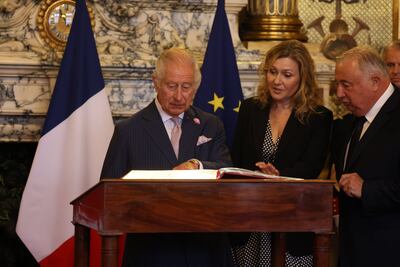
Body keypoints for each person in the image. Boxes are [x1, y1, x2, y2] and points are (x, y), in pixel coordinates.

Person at [101, 47, 234, 267]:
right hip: (152, 253)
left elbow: (226, 171)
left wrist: (196, 165)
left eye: (186, 87)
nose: (179, 96)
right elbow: (109, 195)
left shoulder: (211, 125)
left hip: (206, 250)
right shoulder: (128, 131)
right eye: (171, 86)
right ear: (156, 82)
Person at [230, 40, 333, 266]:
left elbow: (312, 166)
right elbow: (236, 158)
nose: (277, 81)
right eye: (272, 72)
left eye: (287, 75)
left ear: (302, 78)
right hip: (250, 218)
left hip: (293, 218)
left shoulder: (319, 117)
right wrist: (259, 175)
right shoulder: (250, 109)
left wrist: (278, 175)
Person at [333, 46, 400, 267]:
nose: (339, 94)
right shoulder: (351, 121)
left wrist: (367, 189)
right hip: (352, 250)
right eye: (337, 84)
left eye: (346, 85)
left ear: (375, 81)